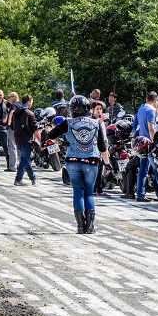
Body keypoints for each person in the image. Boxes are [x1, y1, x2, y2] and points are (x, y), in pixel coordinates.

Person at [46, 95, 111, 234]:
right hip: (91, 162)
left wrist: (62, 143)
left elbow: (50, 135)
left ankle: (80, 226)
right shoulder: (96, 123)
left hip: (73, 161)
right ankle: (90, 227)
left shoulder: (68, 122)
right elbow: (102, 146)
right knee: (89, 194)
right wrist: (107, 164)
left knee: (77, 193)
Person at [133, 91, 158, 203]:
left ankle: (140, 194)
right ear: (155, 100)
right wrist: (156, 142)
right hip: (149, 144)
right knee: (157, 169)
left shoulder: (141, 108)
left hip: (142, 143)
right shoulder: (151, 110)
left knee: (143, 170)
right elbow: (151, 129)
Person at [11, 94, 40, 186]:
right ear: (28, 102)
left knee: (26, 160)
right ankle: (18, 179)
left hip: (17, 138)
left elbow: (12, 126)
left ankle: (33, 178)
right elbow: (35, 130)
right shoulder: (29, 114)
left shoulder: (16, 112)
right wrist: (42, 140)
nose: (32, 103)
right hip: (26, 139)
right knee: (24, 160)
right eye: (31, 102)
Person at [91, 100, 111, 196]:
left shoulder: (102, 121)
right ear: (92, 110)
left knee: (100, 168)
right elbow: (94, 125)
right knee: (95, 169)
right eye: (97, 109)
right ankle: (95, 189)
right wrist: (100, 120)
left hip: (102, 146)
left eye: (101, 109)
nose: (99, 111)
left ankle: (98, 189)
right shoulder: (92, 119)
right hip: (94, 147)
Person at [5, 91, 21, 172]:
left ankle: (12, 167)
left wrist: (8, 123)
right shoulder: (20, 105)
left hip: (13, 128)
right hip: (20, 129)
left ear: (14, 97)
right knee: (19, 147)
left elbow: (11, 113)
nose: (8, 99)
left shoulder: (14, 105)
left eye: (9, 97)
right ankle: (22, 165)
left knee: (12, 147)